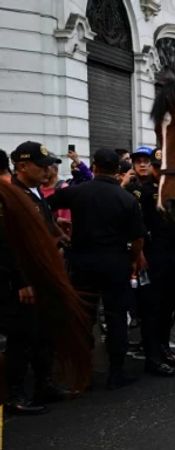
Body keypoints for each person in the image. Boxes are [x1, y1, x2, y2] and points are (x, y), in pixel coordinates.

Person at [48, 148, 146, 389]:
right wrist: (134, 259)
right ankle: (116, 372)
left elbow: (43, 207)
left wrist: (60, 234)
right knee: (116, 317)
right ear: (117, 169)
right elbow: (137, 238)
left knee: (84, 317)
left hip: (83, 262)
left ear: (95, 166)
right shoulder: (126, 199)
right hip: (115, 263)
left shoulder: (78, 191)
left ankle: (83, 371)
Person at [5, 142, 73, 412]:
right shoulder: (10, 195)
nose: (49, 170)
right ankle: (16, 394)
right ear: (22, 166)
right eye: (42, 165)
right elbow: (9, 243)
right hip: (25, 281)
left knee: (45, 333)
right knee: (22, 338)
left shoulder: (33, 193)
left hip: (44, 275)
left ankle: (44, 384)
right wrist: (22, 280)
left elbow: (41, 226)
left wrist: (58, 231)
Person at [124, 146, 175, 376]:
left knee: (169, 304)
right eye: (139, 161)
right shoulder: (136, 191)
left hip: (172, 252)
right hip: (150, 255)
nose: (144, 166)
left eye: (149, 162)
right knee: (151, 309)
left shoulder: (170, 188)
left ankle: (164, 348)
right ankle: (153, 357)